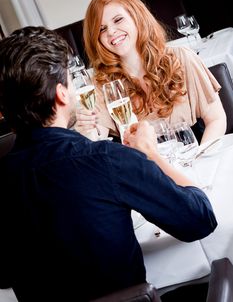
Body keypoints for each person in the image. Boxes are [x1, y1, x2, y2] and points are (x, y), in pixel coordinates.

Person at [0, 26, 217, 302]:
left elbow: (5, 276)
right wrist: (150, 153)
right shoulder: (107, 159)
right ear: (62, 94)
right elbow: (200, 219)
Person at [75, 0, 226, 144]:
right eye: (102, 29)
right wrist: (88, 129)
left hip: (197, 151)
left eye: (118, 20)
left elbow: (216, 118)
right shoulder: (102, 85)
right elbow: (97, 138)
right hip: (145, 164)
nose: (111, 32)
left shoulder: (181, 57)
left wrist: (200, 158)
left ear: (137, 18)